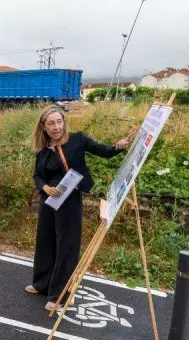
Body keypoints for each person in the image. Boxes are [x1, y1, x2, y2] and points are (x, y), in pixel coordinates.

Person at [26, 105, 130, 311]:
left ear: (64, 122)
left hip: (70, 200)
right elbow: (37, 175)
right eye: (51, 123)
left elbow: (104, 152)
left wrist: (118, 146)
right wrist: (45, 187)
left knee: (67, 246)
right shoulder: (43, 147)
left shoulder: (77, 139)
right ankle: (42, 283)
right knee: (45, 241)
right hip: (49, 201)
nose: (56, 127)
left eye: (59, 122)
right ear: (43, 127)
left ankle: (59, 295)